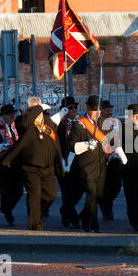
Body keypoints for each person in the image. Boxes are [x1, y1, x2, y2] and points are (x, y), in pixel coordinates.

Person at [2, 97, 65, 231]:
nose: (39, 112)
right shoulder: (23, 122)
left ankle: (39, 215)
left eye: (40, 109)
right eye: (35, 109)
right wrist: (39, 107)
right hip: (30, 168)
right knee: (34, 196)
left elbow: (56, 140)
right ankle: (34, 225)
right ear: (29, 110)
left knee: (51, 196)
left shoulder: (47, 121)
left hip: (48, 168)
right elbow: (24, 124)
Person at [68, 96, 127, 233]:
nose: (97, 113)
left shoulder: (103, 123)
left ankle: (83, 216)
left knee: (99, 195)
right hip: (85, 166)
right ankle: (93, 225)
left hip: (101, 165)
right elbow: (71, 145)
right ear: (88, 109)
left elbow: (110, 141)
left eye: (98, 111)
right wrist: (86, 145)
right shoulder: (80, 124)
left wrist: (120, 153)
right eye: (94, 110)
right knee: (92, 194)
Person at [0, 104, 23, 226]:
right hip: (1, 166)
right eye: (9, 114)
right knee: (5, 191)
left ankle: (6, 208)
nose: (12, 116)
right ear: (3, 116)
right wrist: (1, 146)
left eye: (13, 113)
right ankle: (8, 213)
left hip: (16, 165)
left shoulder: (18, 127)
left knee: (18, 191)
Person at [56, 96, 83, 229]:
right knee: (67, 193)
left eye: (75, 107)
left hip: (78, 164)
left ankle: (65, 210)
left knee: (79, 191)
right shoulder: (58, 125)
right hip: (63, 163)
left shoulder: (81, 124)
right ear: (64, 110)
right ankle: (73, 218)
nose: (73, 110)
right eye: (70, 107)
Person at [98, 100, 123, 221]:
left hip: (115, 158)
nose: (110, 112)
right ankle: (106, 210)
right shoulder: (97, 123)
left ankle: (107, 207)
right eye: (107, 109)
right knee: (105, 187)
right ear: (101, 110)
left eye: (110, 109)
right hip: (102, 159)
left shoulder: (116, 122)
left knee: (116, 185)